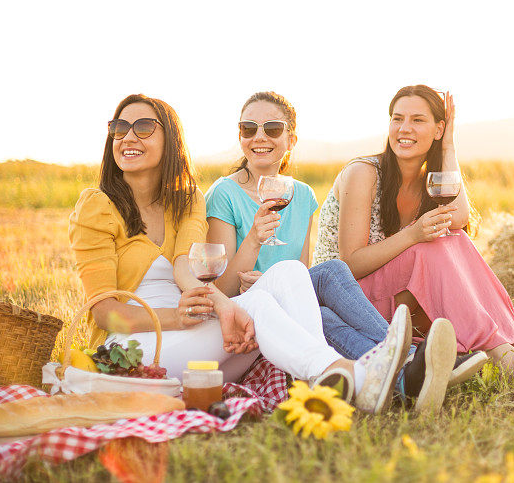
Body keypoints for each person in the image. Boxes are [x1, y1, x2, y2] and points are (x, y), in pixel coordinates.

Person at [68, 93, 410, 414]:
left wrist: (219, 305)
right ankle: (354, 376)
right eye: (119, 128)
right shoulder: (98, 206)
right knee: (260, 305)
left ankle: (326, 380)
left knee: (290, 271)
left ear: (169, 140)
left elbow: (184, 265)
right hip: (130, 351)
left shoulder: (186, 200)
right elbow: (104, 313)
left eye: (143, 127)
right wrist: (181, 316)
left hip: (194, 337)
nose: (128, 137)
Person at [204, 91, 484, 412]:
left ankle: (402, 367)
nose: (259, 137)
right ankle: (408, 365)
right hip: (246, 308)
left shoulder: (303, 195)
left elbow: (298, 275)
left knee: (331, 276)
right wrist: (254, 240)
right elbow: (220, 288)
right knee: (323, 317)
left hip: (286, 300)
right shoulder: (224, 193)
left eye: (272, 128)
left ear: (291, 139)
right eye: (248, 129)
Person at [312, 85, 514, 385]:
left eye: (417, 120)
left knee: (455, 239)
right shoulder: (364, 173)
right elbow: (350, 264)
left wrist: (449, 146)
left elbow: (460, 218)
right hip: (345, 301)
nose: (404, 128)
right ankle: (501, 355)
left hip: (393, 294)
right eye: (397, 118)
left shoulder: (428, 180)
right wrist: (413, 234)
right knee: (430, 246)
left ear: (438, 129)